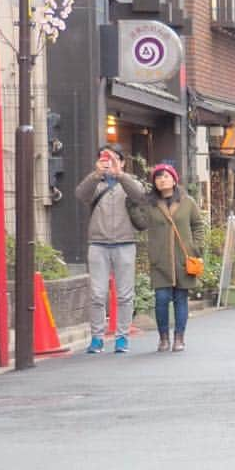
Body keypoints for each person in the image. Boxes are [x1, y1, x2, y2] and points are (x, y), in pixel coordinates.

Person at [75, 145, 146, 354]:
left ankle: (122, 337)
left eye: (114, 158)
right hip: (97, 243)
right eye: (104, 158)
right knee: (97, 293)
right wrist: (97, 174)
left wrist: (120, 174)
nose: (109, 162)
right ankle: (97, 337)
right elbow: (81, 195)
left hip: (125, 242)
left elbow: (140, 195)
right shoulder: (96, 183)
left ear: (123, 161)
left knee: (125, 294)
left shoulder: (128, 182)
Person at [130, 163, 206, 352]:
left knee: (181, 298)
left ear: (174, 179)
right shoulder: (150, 204)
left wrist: (196, 247)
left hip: (183, 258)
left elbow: (198, 225)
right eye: (158, 177)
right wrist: (131, 207)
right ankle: (163, 337)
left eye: (166, 176)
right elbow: (141, 223)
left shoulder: (187, 202)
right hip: (160, 259)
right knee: (161, 299)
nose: (162, 180)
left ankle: (179, 337)